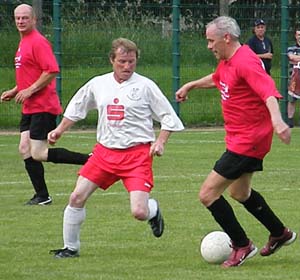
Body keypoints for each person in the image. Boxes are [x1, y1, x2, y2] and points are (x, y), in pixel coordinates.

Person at [176, 16, 296, 268]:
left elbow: (269, 92)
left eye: (211, 40)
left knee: (208, 194)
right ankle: (279, 233)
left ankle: (242, 244)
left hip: (248, 141)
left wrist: (278, 121)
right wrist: (191, 85)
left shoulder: (246, 61)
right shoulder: (228, 62)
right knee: (239, 192)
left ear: (226, 38)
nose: (209, 46)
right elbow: (217, 78)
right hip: (240, 138)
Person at [48, 37, 184, 258]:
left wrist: (160, 141)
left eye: (131, 61)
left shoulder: (145, 86)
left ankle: (153, 211)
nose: (127, 66)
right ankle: (70, 248)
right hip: (104, 153)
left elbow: (168, 116)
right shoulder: (99, 84)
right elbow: (78, 106)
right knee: (76, 198)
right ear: (112, 60)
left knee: (139, 212)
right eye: (122, 61)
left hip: (137, 155)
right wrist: (60, 130)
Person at [0, 4, 89, 206]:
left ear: (34, 20)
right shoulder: (23, 43)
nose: (21, 22)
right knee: (24, 148)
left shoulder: (38, 42)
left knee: (38, 153)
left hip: (42, 105)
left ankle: (89, 160)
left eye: (25, 18)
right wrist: (16, 90)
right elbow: (32, 72)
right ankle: (42, 196)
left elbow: (51, 70)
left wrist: (30, 90)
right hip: (30, 106)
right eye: (18, 19)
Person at [287, 27, 300, 128]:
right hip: (294, 78)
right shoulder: (291, 48)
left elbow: (295, 59)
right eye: (298, 35)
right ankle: (290, 121)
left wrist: (297, 59)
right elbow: (291, 57)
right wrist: (295, 58)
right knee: (292, 99)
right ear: (296, 36)